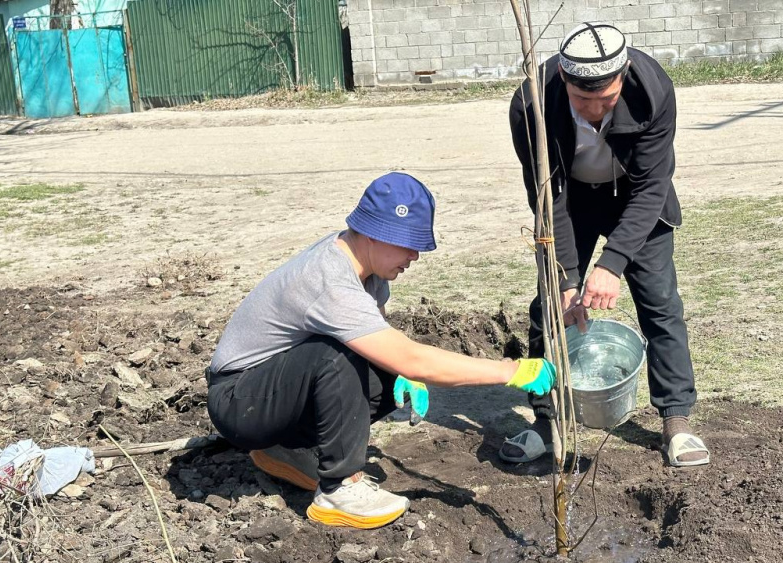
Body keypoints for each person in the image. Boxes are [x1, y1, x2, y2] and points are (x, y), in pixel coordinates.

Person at [205, 172, 557, 530]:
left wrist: (399, 371)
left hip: (271, 393)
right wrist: (509, 371)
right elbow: (412, 359)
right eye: (408, 244)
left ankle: (284, 449)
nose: (415, 256)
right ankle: (338, 491)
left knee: (383, 371)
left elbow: (384, 337)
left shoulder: (366, 270)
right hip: (238, 400)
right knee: (337, 355)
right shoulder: (329, 279)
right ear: (375, 233)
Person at [504, 23, 709, 468]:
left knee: (660, 303)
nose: (595, 112)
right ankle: (546, 418)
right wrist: (568, 275)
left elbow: (653, 186)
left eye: (608, 100)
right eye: (583, 101)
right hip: (568, 201)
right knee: (550, 307)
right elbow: (545, 193)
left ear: (625, 75)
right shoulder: (531, 105)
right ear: (563, 78)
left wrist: (611, 263)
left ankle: (676, 418)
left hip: (634, 197)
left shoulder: (653, 89)